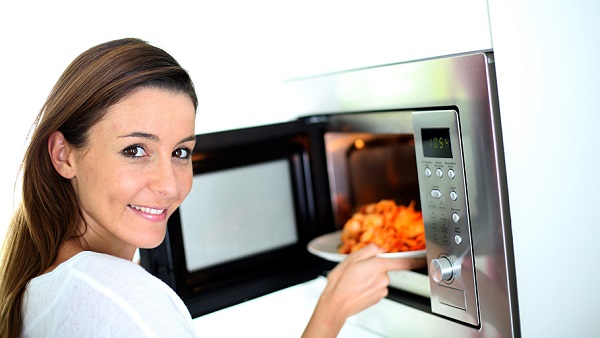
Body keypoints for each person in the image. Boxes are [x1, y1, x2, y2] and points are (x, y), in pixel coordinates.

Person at [0, 38, 419, 338]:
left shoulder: (40, 286)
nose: (169, 185)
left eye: (181, 153)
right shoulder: (126, 298)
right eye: (134, 150)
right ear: (64, 155)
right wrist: (332, 312)